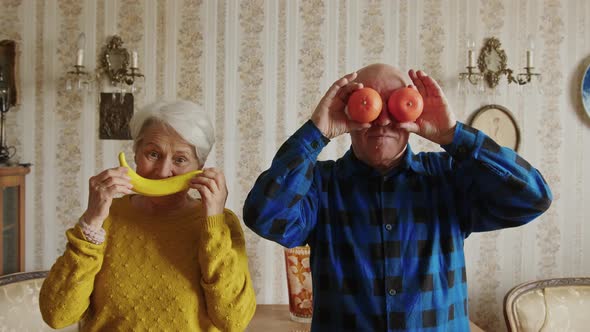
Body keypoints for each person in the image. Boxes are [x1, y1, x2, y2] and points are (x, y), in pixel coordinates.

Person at [243, 63, 552, 331]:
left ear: (412, 104)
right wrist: (316, 132)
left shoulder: (446, 177)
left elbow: (533, 197)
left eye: (395, 104)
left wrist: (454, 134)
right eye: (371, 103)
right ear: (349, 109)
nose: (382, 120)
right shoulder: (320, 185)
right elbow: (264, 216)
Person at [40, 100, 256, 331]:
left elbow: (234, 320)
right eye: (153, 154)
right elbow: (58, 315)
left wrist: (213, 225)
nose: (163, 172)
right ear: (136, 154)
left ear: (200, 166)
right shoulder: (106, 217)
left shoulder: (222, 223)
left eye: (180, 159)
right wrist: (91, 222)